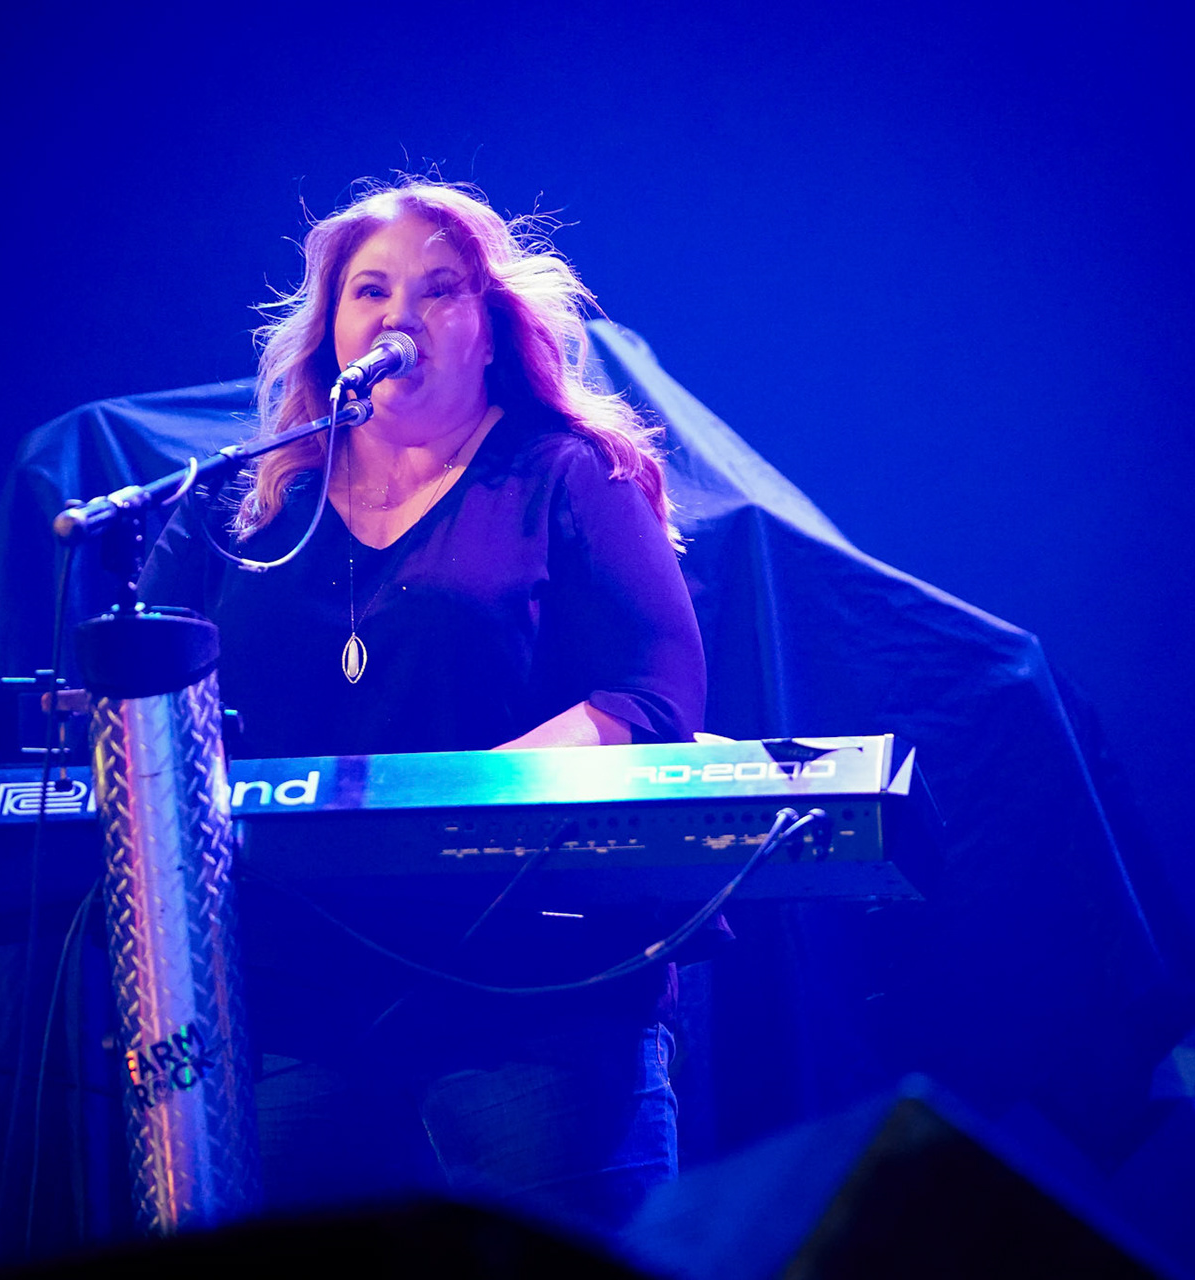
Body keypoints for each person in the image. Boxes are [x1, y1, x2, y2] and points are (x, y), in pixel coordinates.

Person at [138, 179, 706, 1239]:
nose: (400, 315)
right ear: (331, 331)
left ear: (490, 331)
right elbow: (147, 703)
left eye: (440, 290)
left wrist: (451, 804)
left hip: (534, 1008)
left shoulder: (569, 475)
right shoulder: (240, 504)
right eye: (370, 291)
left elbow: (655, 692)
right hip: (298, 1007)